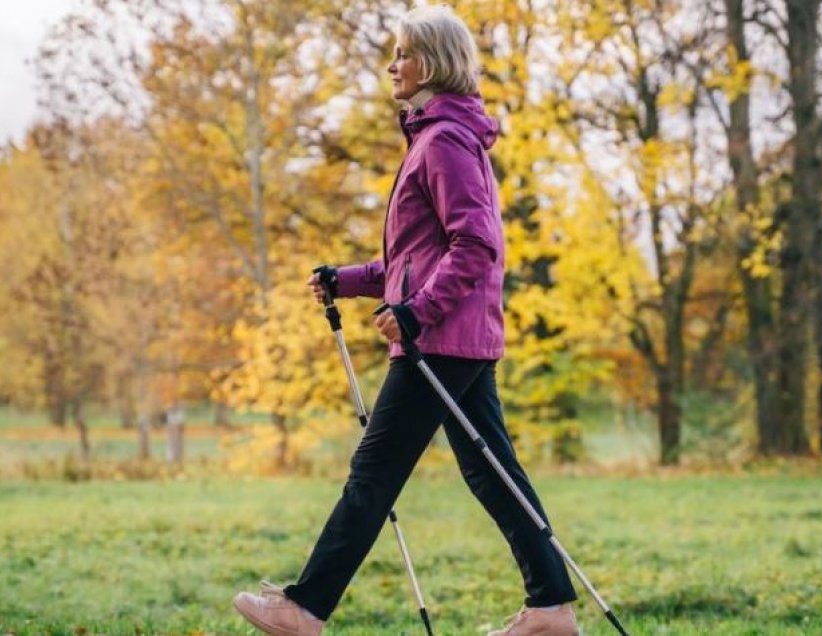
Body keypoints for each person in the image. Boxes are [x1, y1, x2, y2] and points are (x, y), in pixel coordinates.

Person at [232, 6, 580, 635]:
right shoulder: (433, 137)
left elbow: (476, 245)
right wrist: (349, 279)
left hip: (441, 339)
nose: (392, 64)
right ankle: (550, 608)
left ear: (434, 62)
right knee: (492, 472)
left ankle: (304, 610)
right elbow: (412, 260)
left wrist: (417, 313)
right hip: (457, 337)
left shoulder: (444, 140)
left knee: (374, 472)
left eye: (403, 53)